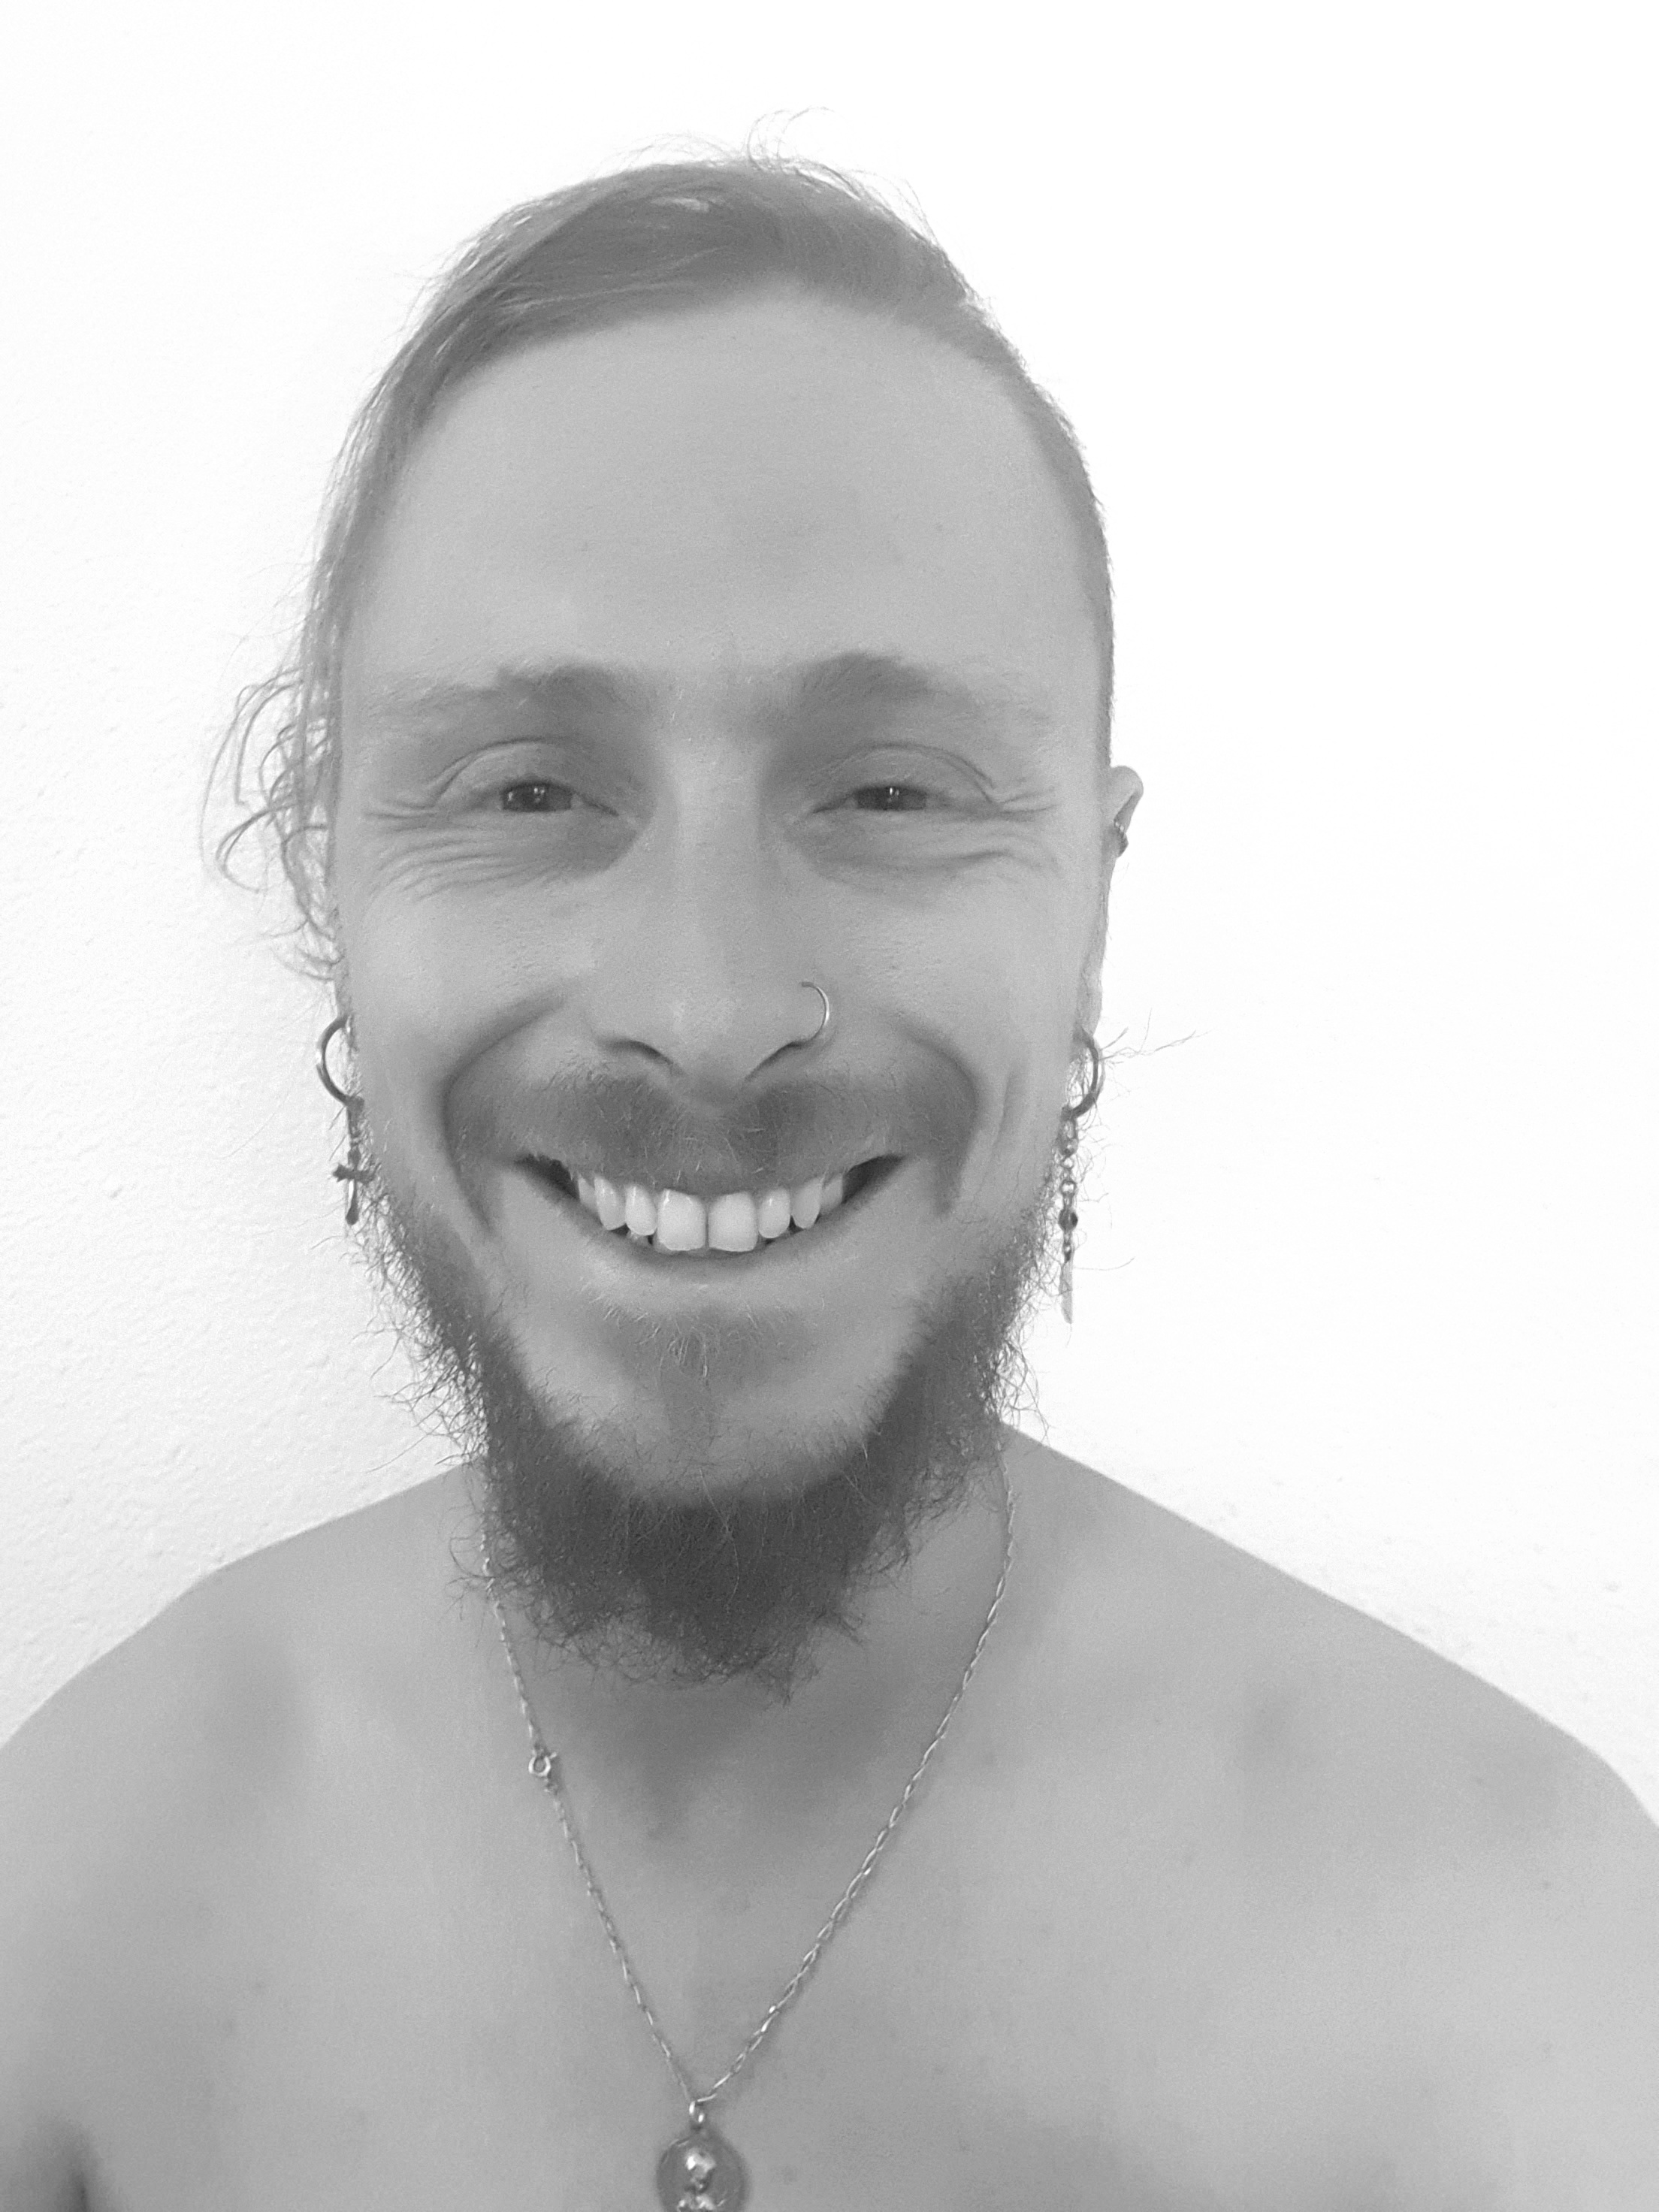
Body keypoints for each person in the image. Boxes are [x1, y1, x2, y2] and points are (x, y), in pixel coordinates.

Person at [2, 150, 1655, 2212]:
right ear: (337, 883)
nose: (706, 1015)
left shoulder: (1521, 1972)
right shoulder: (72, 1910)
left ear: (1093, 907)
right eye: (531, 789)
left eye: (888, 790)